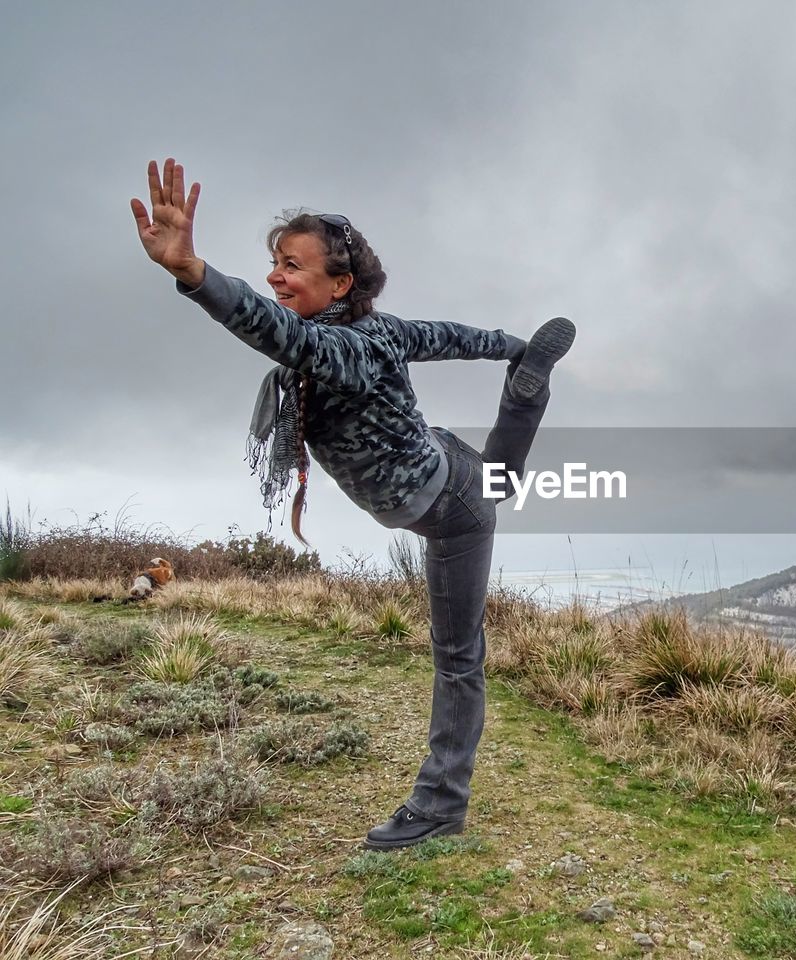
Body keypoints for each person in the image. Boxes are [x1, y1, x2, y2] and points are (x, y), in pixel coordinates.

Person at [131, 158, 574, 849]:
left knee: (459, 648)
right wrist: (514, 349)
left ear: (339, 284)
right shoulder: (383, 331)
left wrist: (194, 275)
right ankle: (526, 392)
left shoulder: (346, 348)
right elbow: (450, 336)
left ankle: (438, 805)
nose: (277, 275)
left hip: (445, 502)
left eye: (293, 266)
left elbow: (273, 330)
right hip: (441, 472)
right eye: (275, 261)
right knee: (493, 489)